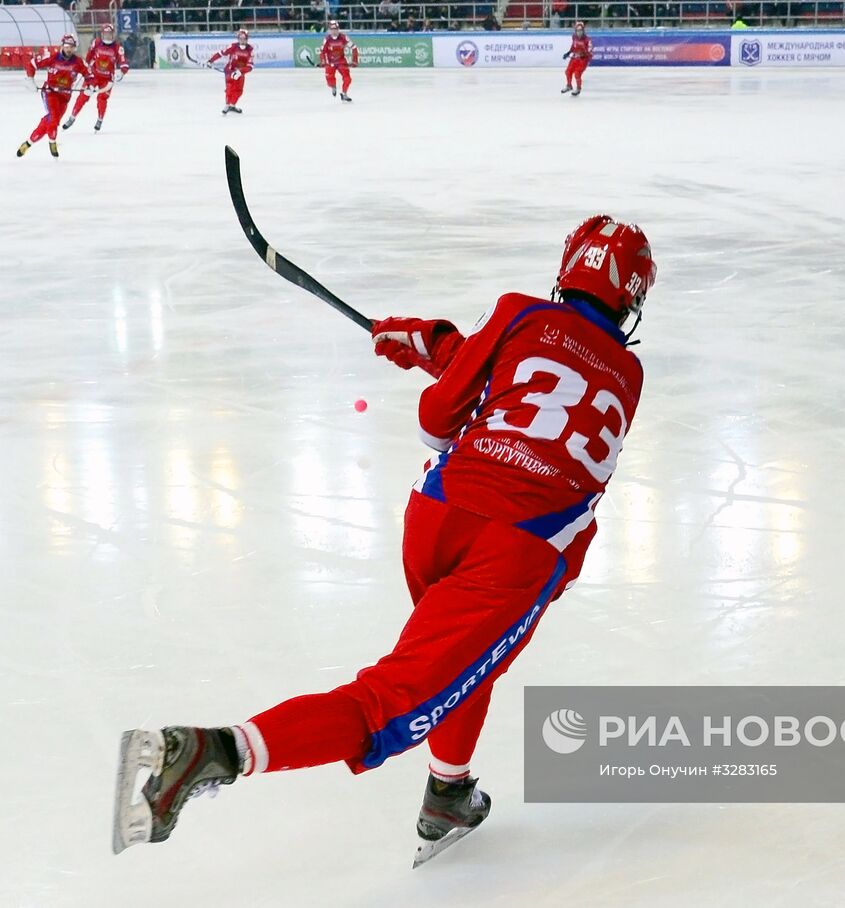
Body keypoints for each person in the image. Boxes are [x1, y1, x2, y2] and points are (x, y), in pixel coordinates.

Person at [111, 216, 657, 863]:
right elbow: (556, 399)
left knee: (463, 666)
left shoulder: (520, 314)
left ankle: (448, 793)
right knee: (386, 706)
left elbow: (443, 416)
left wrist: (444, 347)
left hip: (437, 516)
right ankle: (212, 751)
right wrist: (447, 347)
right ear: (633, 298)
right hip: (514, 552)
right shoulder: (627, 373)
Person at [18, 35, 91, 158]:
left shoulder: (78, 62)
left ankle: (28, 143)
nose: (69, 49)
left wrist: (90, 87)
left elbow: (89, 75)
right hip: (50, 93)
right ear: (62, 46)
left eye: (71, 47)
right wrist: (30, 79)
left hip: (65, 97)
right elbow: (31, 64)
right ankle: (52, 142)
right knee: (53, 119)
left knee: (51, 121)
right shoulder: (52, 57)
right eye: (67, 46)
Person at [63, 24, 129, 132]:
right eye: (106, 34)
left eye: (110, 34)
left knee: (102, 98)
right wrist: (85, 67)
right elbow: (89, 56)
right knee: (83, 96)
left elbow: (123, 61)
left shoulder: (118, 47)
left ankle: (100, 119)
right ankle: (72, 117)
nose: (108, 36)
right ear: (102, 34)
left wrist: (122, 71)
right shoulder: (96, 43)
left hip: (107, 79)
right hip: (93, 76)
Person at [207, 28, 254, 115]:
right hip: (229, 71)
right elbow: (221, 53)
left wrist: (240, 72)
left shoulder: (250, 49)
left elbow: (250, 66)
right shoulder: (233, 46)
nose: (242, 41)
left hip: (241, 73)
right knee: (230, 89)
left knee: (239, 91)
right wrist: (211, 60)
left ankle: (232, 105)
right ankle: (227, 105)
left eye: (244, 39)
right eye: (240, 38)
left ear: (247, 39)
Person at [318, 20, 358, 101]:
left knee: (348, 78)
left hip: (341, 61)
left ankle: (344, 94)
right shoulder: (327, 39)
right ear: (329, 30)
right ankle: (333, 86)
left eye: (335, 29)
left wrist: (354, 61)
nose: (334, 31)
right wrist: (323, 61)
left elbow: (354, 48)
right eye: (332, 29)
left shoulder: (344, 37)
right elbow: (322, 51)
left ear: (338, 29)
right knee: (329, 78)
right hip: (330, 62)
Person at [562, 21, 592, 96]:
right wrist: (568, 53)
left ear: (583, 31)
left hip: (583, 60)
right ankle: (569, 85)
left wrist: (584, 55)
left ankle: (578, 88)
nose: (579, 32)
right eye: (578, 31)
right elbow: (573, 46)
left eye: (581, 30)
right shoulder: (574, 37)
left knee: (577, 73)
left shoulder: (587, 40)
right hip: (575, 57)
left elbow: (590, 51)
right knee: (568, 71)